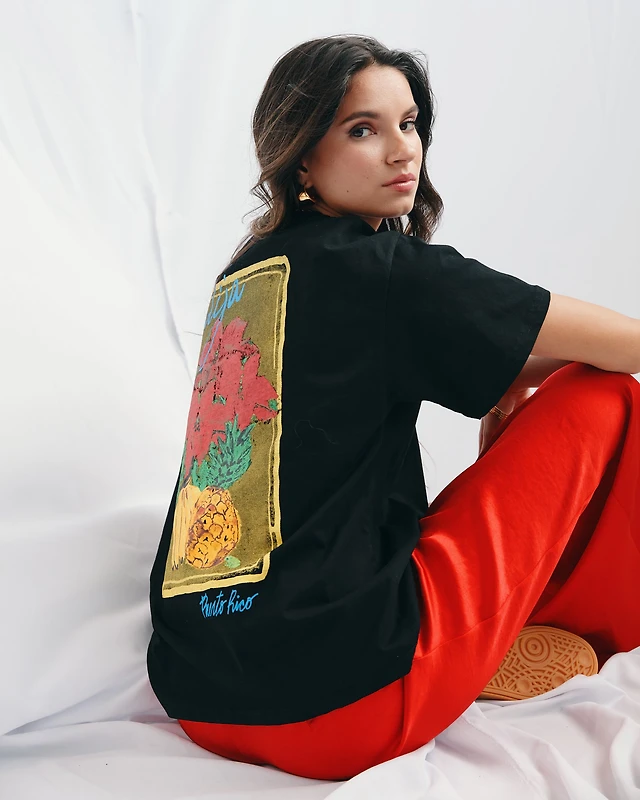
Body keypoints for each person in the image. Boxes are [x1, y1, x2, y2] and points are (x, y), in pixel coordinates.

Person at [146, 34, 640, 781]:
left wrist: (508, 371)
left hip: (200, 694)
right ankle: (578, 626)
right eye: (362, 130)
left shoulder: (245, 277)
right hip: (346, 705)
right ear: (301, 158)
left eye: (408, 124)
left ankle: (516, 629)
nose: (402, 149)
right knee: (606, 394)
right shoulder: (384, 272)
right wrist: (527, 371)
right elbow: (624, 345)